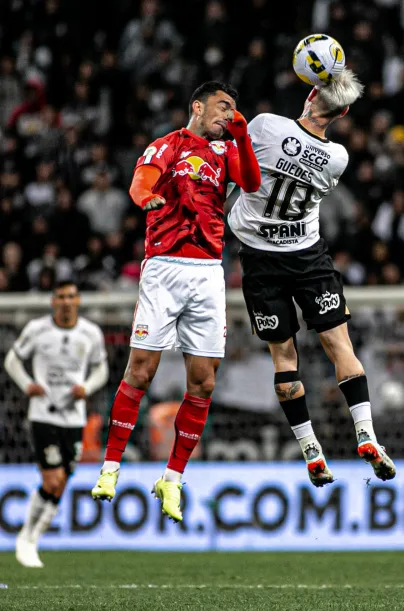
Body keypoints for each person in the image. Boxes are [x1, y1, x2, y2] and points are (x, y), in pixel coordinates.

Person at [91, 81, 261, 523]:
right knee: (142, 369)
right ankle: (110, 468)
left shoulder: (226, 153)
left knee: (203, 381)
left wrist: (241, 135)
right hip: (165, 266)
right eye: (223, 107)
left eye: (234, 110)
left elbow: (252, 182)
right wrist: (147, 197)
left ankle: (173, 478)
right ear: (197, 107)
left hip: (208, 272)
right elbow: (141, 181)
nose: (228, 115)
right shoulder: (167, 146)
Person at [226, 65, 395, 485]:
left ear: (309, 95)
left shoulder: (267, 126)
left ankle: (310, 449)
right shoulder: (338, 158)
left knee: (284, 360)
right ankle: (366, 434)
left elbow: (236, 155)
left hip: (261, 260)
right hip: (307, 257)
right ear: (341, 115)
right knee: (340, 346)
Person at [3, 281, 108, 567]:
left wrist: (86, 387)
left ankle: (32, 536)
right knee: (52, 478)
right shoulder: (37, 330)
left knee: (62, 482)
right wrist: (27, 385)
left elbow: (102, 368)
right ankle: (27, 539)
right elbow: (13, 360)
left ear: (78, 301)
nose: (65, 301)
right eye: (60, 296)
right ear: (53, 301)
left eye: (71, 296)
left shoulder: (90, 333)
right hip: (43, 414)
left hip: (74, 417)